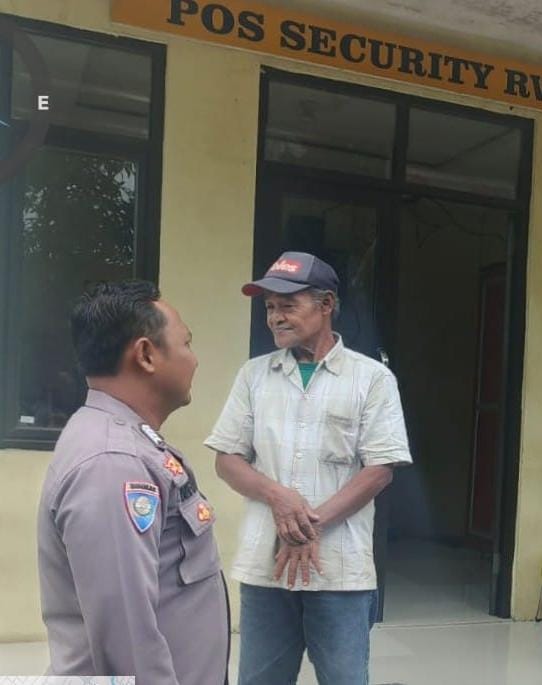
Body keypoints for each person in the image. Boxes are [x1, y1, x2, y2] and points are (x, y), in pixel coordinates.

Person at [206, 251, 411, 685]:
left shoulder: (372, 379)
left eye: (288, 305)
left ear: (327, 305)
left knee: (343, 678)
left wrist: (307, 527)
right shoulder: (253, 376)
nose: (275, 317)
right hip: (267, 568)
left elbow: (380, 468)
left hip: (339, 570)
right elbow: (227, 459)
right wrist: (278, 497)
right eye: (269, 307)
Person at [37, 280, 229, 683]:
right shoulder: (113, 463)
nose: (194, 360)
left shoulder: (126, 442)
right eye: (186, 343)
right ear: (145, 355)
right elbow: (128, 646)